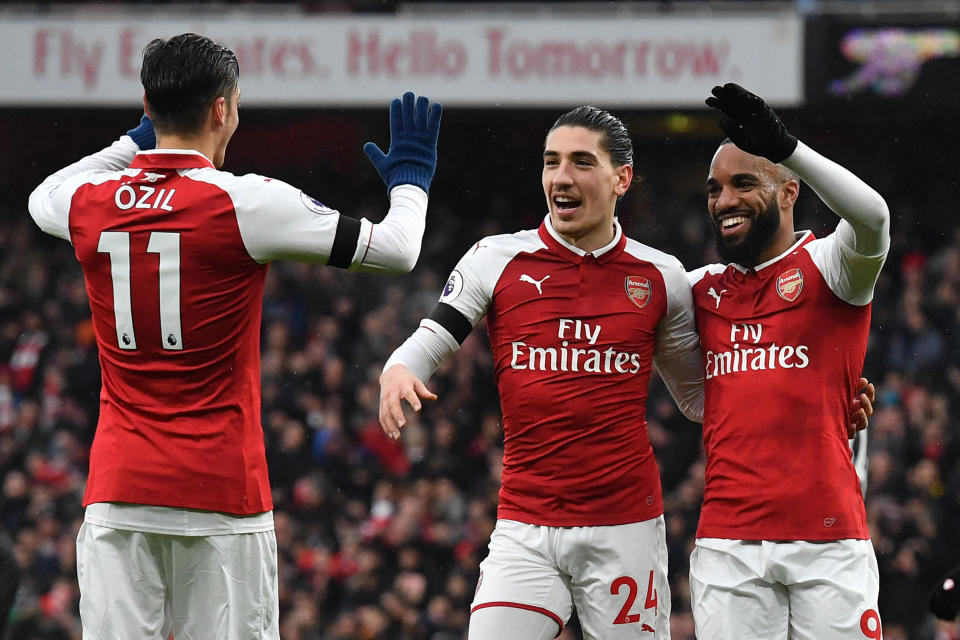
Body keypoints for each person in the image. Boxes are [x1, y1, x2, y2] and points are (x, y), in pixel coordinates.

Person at [27, 33, 441, 640]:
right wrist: (412, 179)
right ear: (223, 109)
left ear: (147, 104)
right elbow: (399, 249)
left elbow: (43, 196)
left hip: (118, 492)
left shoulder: (88, 201)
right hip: (220, 494)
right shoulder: (245, 200)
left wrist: (135, 142)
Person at [379, 105, 705, 639]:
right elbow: (428, 341)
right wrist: (397, 369)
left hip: (624, 527)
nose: (561, 177)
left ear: (621, 178)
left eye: (581, 162)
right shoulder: (496, 258)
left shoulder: (661, 277)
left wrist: (808, 396)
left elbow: (699, 399)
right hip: (525, 526)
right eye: (552, 162)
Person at [687, 83, 890, 640]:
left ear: (788, 192)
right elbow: (695, 400)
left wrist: (786, 145)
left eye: (743, 183)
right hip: (728, 548)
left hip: (829, 542)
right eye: (714, 189)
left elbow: (873, 216)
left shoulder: (832, 266)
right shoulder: (696, 291)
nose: (723, 200)